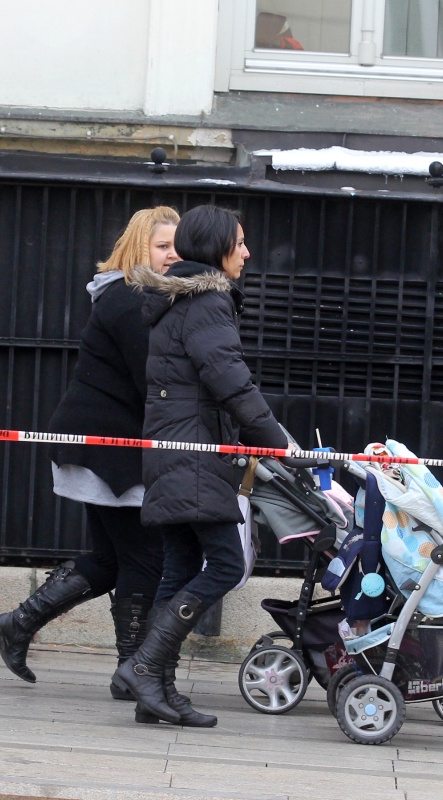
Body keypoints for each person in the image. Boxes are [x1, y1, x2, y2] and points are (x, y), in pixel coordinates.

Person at [0, 207, 180, 697]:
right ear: (139, 248)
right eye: (163, 246)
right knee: (144, 560)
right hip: (110, 451)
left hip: (103, 446)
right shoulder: (132, 299)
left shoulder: (132, 296)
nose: (173, 255)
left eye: (179, 247)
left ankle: (17, 625)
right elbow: (154, 380)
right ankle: (132, 672)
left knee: (114, 558)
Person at [115, 205, 293, 727]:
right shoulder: (209, 299)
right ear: (217, 247)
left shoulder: (176, 301)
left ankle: (153, 686)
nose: (247, 252)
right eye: (239, 242)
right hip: (196, 453)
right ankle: (148, 667)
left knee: (181, 567)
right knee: (226, 564)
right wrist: (276, 440)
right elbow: (229, 378)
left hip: (174, 451)